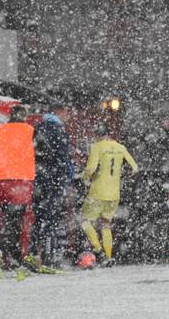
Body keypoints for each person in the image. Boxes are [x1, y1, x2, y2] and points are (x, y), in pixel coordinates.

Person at [80, 122, 138, 267]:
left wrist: (85, 178)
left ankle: (98, 251)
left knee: (84, 221)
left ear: (96, 135)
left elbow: (91, 168)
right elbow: (135, 167)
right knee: (106, 224)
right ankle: (109, 256)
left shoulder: (96, 147)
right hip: (114, 193)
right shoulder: (120, 147)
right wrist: (121, 177)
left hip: (98, 191)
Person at [0, 105, 35, 278]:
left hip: (0, 181)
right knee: (15, 223)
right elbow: (42, 152)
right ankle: (0, 252)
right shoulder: (30, 130)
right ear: (24, 116)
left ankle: (13, 259)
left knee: (10, 220)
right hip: (20, 181)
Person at [29, 112, 74, 271]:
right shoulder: (59, 132)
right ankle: (49, 257)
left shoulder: (35, 130)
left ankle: (33, 255)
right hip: (55, 180)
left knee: (38, 219)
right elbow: (65, 160)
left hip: (38, 181)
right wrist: (69, 178)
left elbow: (32, 155)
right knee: (52, 220)